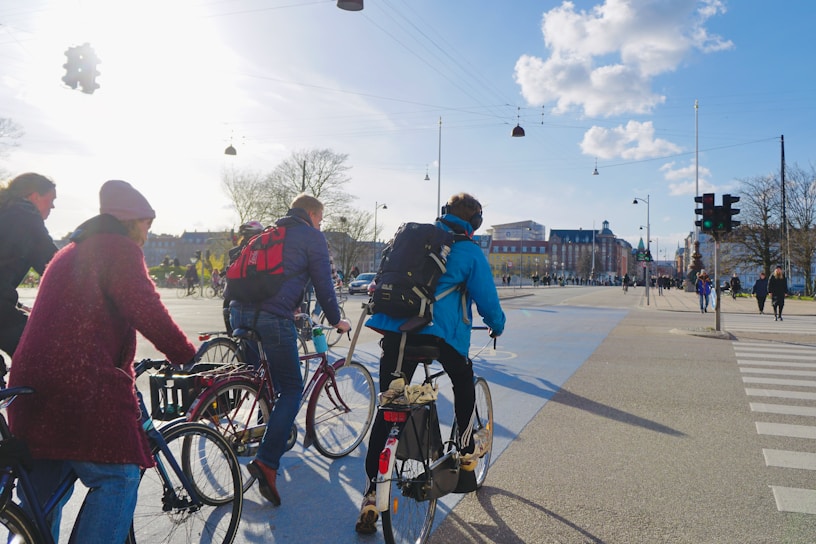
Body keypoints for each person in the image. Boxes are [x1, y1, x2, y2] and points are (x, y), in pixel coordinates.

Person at [7, 180, 197, 544]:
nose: (147, 233)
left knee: (42, 496)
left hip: (31, 385)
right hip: (78, 383)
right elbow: (146, 308)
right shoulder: (118, 249)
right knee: (118, 477)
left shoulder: (70, 251)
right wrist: (186, 354)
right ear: (131, 221)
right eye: (146, 224)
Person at [355, 192, 506, 535]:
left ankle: (370, 494)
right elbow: (487, 300)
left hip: (395, 333)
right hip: (439, 336)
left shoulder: (414, 241)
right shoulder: (468, 251)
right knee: (463, 379)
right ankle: (465, 448)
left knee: (390, 405)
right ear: (474, 222)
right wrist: (496, 325)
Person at [229, 194, 351, 506]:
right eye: (320, 219)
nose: (320, 225)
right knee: (292, 388)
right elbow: (324, 285)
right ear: (312, 214)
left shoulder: (270, 233)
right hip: (272, 316)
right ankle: (267, 461)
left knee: (268, 377)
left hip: (238, 312)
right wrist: (337, 320)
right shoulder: (312, 237)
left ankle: (266, 422)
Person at [0, 172, 58, 359]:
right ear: (34, 196)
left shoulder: (7, 213)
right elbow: (55, 266)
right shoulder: (25, 215)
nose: (53, 206)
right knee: (43, 351)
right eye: (51, 199)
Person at [222, 220, 264, 331]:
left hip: (233, 297)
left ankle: (231, 334)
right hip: (253, 300)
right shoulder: (261, 250)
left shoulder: (234, 252)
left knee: (227, 303)